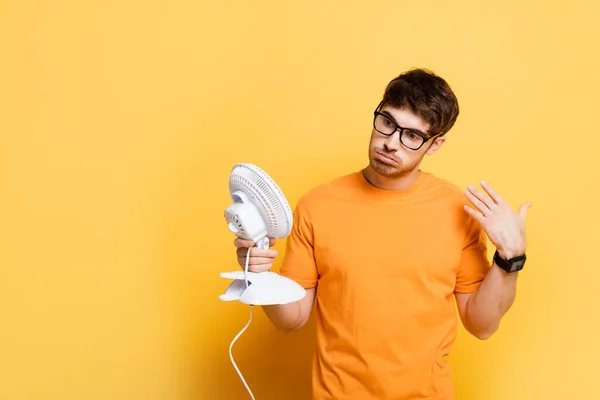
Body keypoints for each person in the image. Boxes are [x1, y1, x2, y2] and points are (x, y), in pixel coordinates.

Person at [233, 68, 531, 399]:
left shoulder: (458, 211)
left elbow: (482, 325)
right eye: (387, 122)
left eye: (412, 136)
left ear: (435, 144)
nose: (391, 143)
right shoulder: (317, 205)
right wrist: (257, 277)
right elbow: (292, 319)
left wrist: (510, 257)